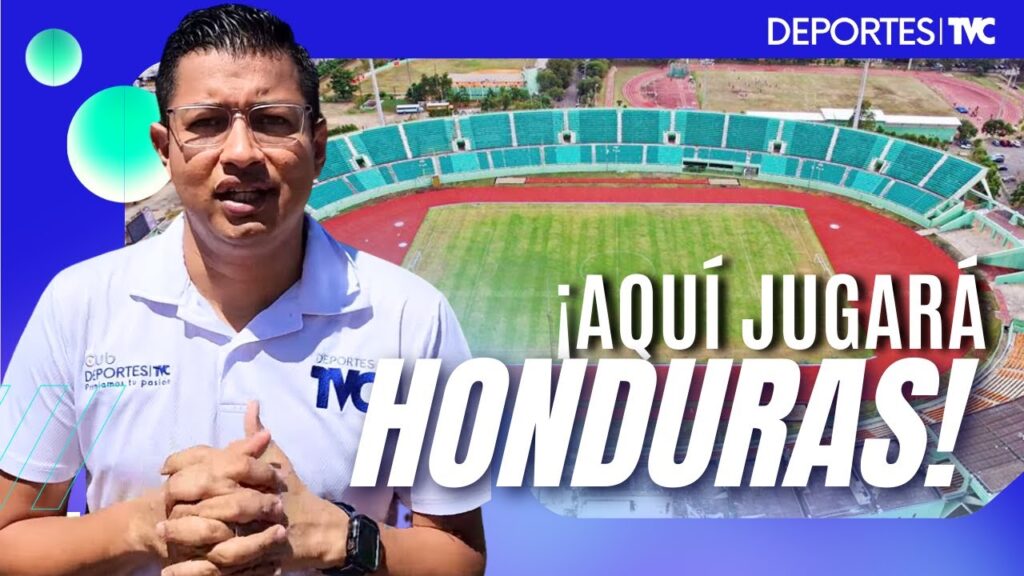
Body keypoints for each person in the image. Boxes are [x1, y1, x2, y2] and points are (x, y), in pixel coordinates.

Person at [0, 4, 488, 575]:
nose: (240, 152)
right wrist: (146, 525)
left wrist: (340, 536)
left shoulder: (413, 317)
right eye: (206, 121)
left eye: (272, 120)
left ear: (319, 143)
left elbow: (459, 557)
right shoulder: (76, 304)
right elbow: (10, 537)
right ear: (164, 147)